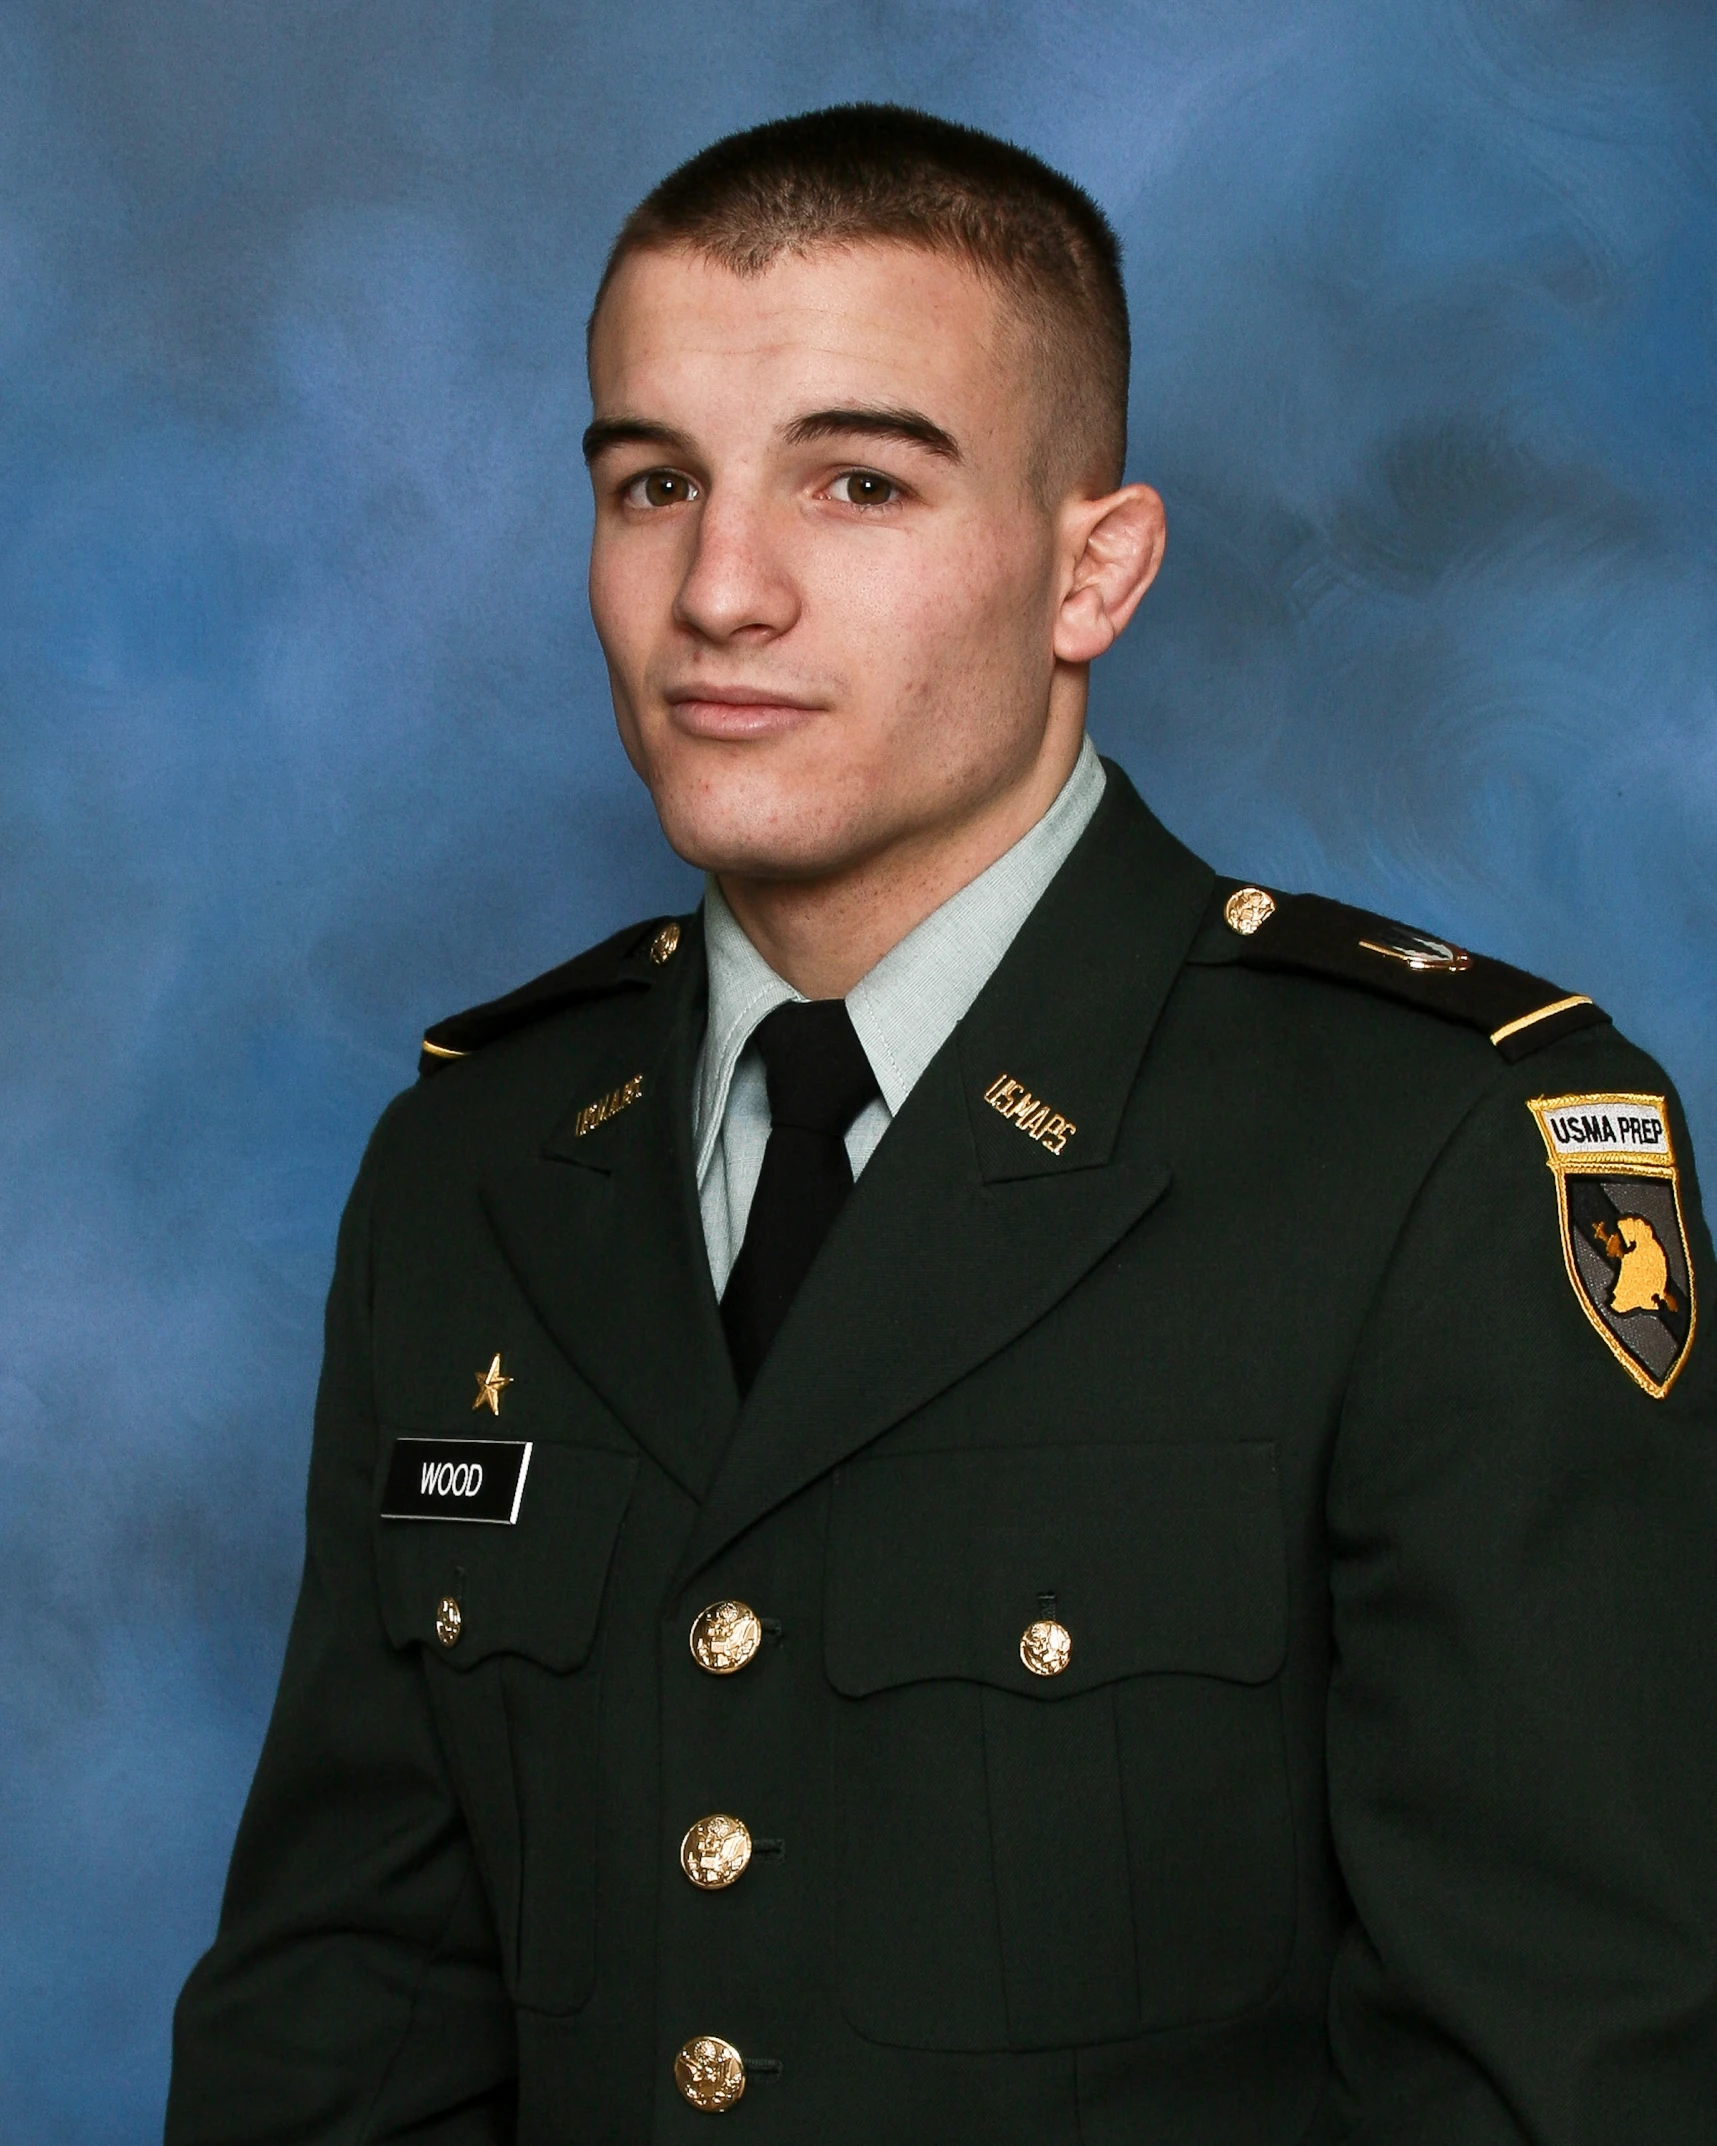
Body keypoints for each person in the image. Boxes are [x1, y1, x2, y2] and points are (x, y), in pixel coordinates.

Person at [165, 105, 1715, 2144]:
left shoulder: (1429, 1153)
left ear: (1096, 570)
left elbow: (1565, 2082)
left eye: (859, 481)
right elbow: (338, 2030)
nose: (721, 590)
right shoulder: (472, 1163)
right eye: (653, 484)